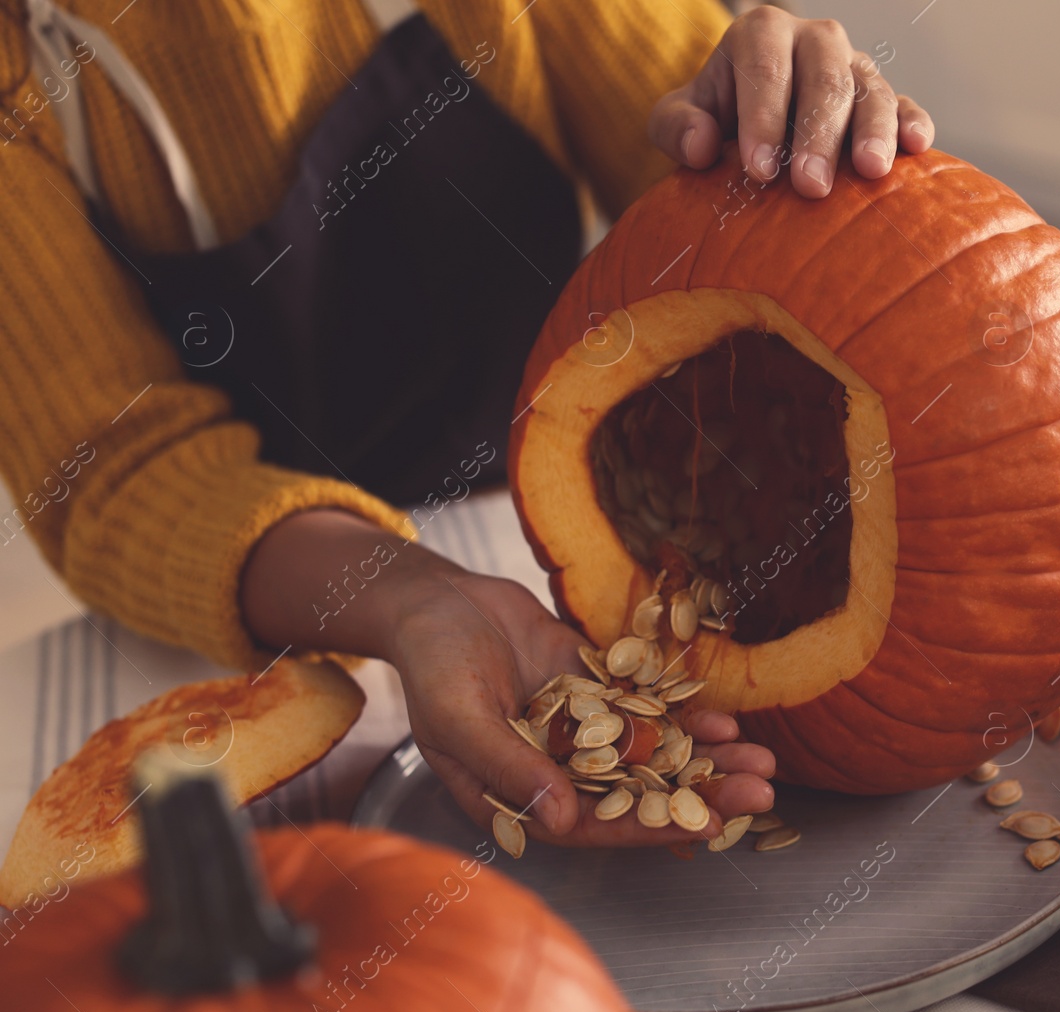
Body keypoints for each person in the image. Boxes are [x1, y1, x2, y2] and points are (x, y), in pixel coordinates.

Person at [0, 0, 934, 846]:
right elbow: (118, 470)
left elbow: (729, 224)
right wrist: (415, 597)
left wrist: (773, 120)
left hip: (591, 545)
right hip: (256, 629)